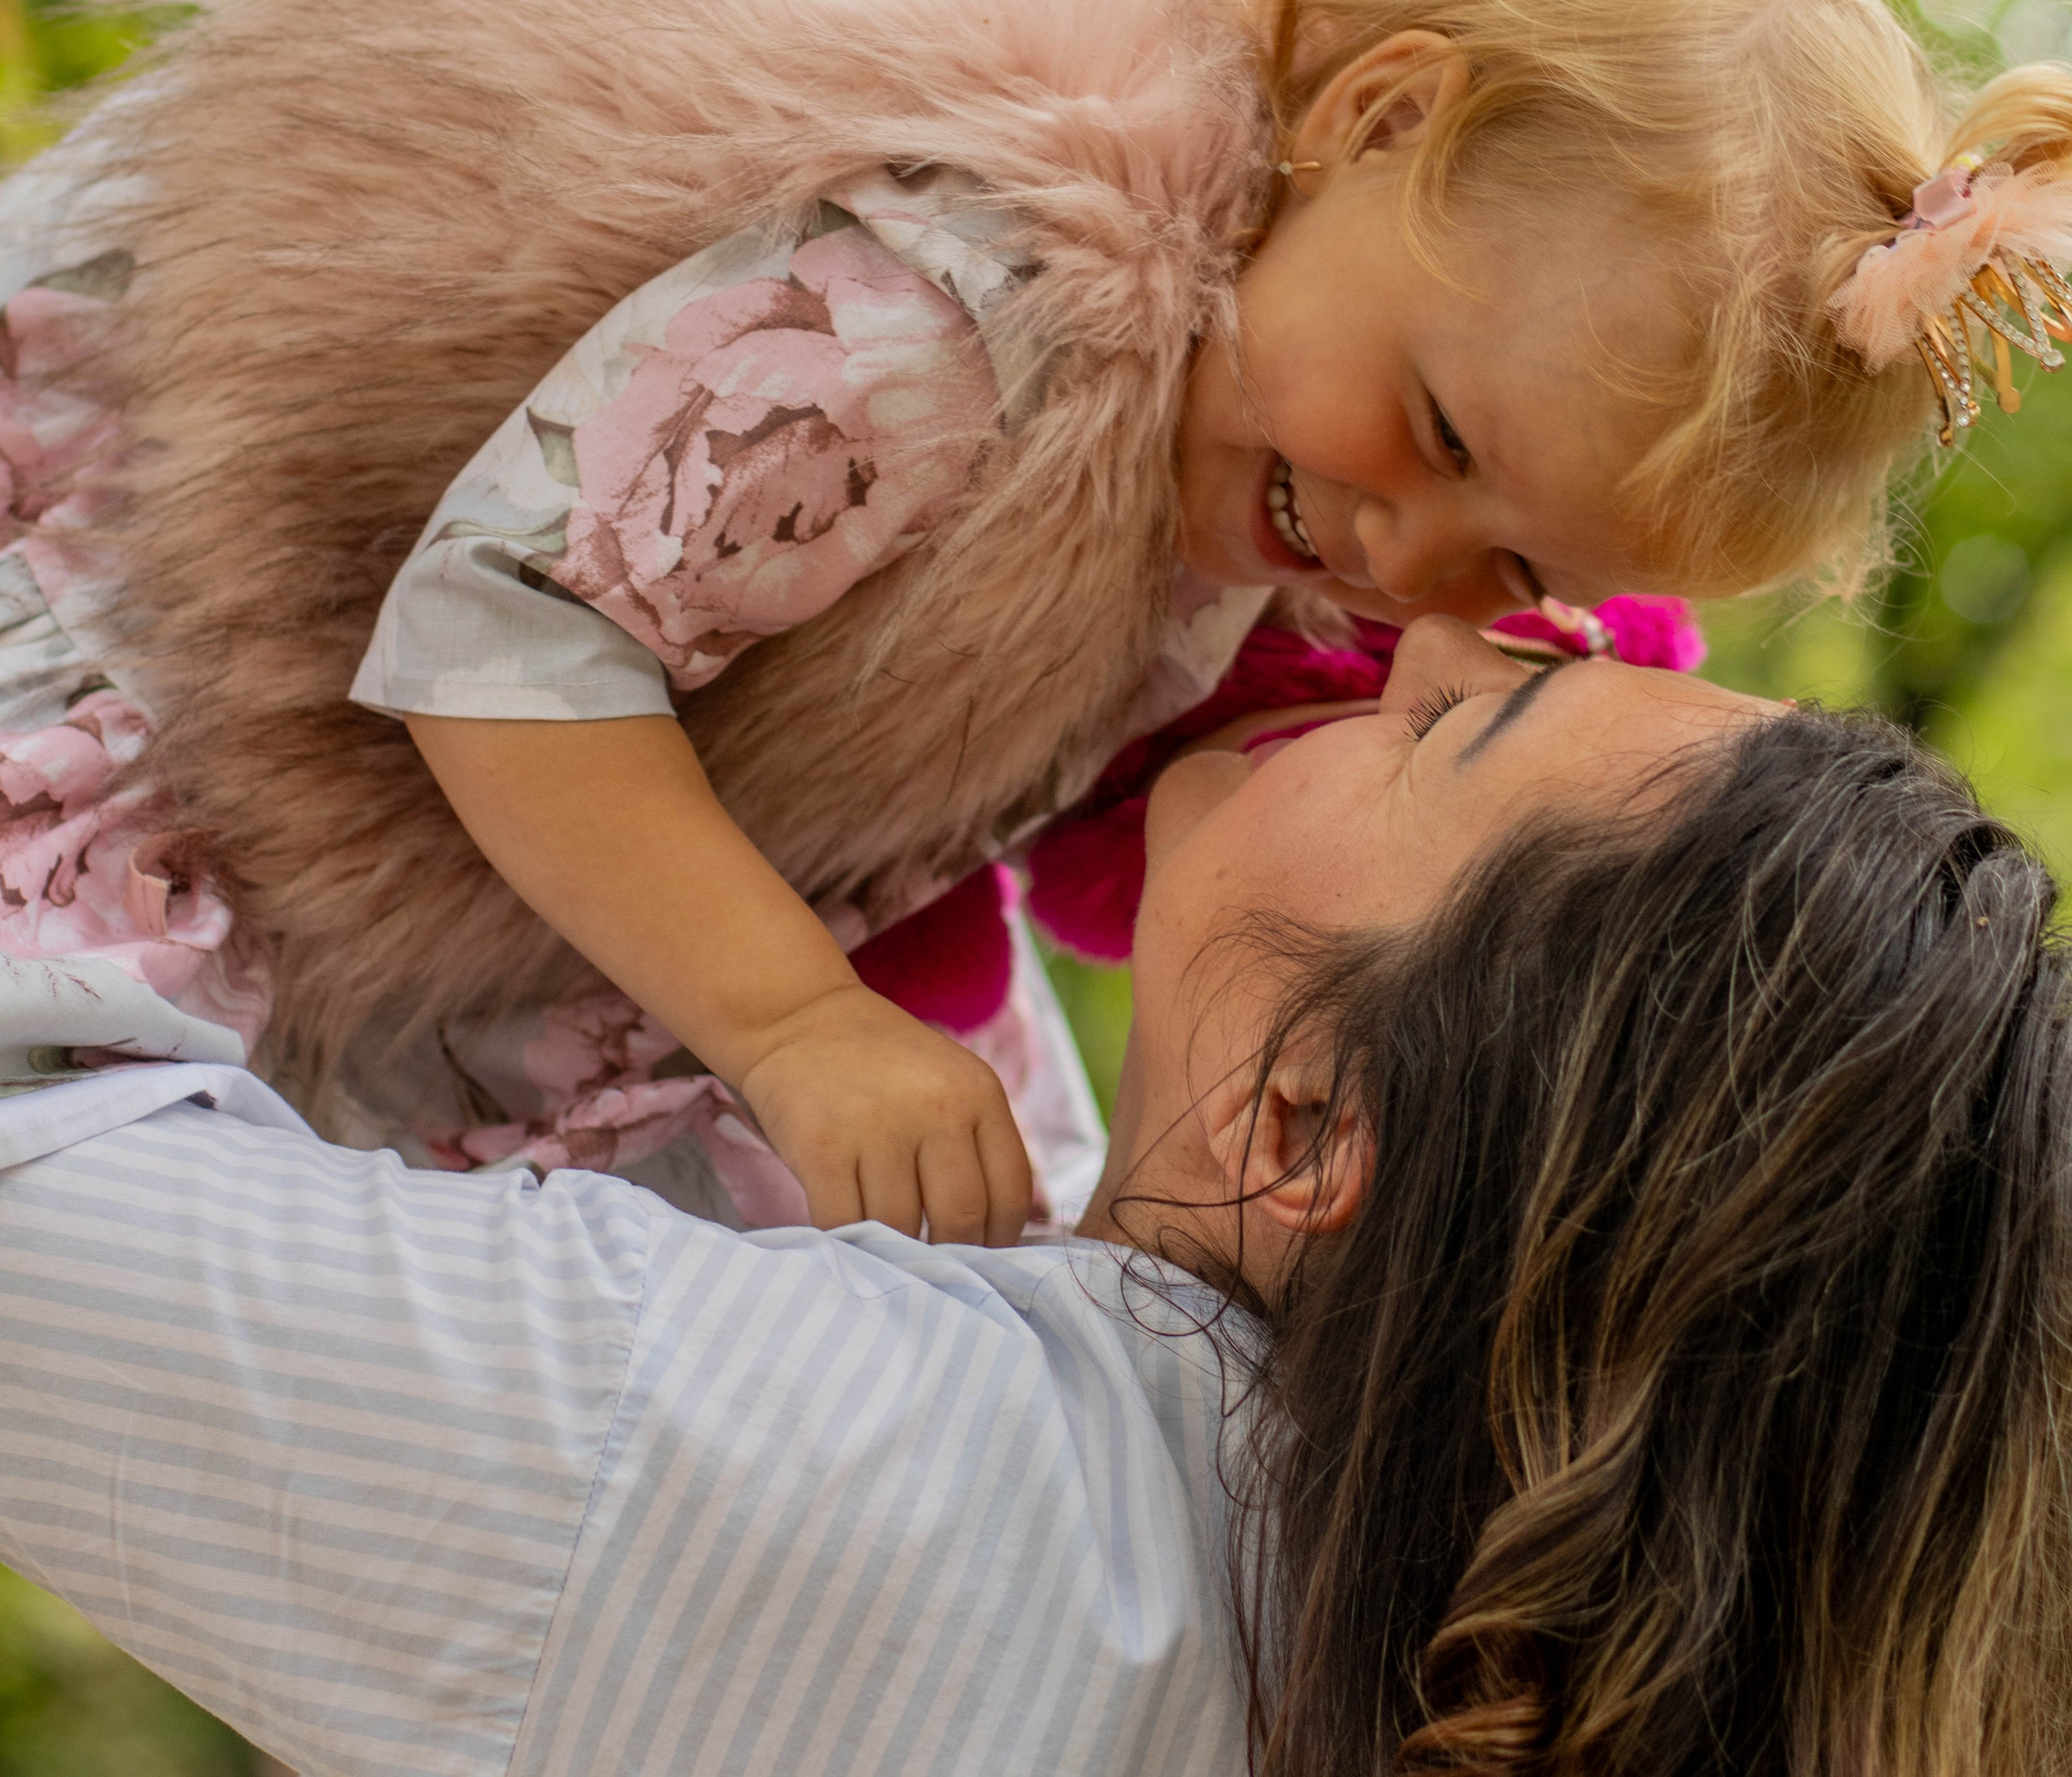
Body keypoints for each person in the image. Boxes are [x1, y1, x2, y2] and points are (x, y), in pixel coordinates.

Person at [1, 0, 2068, 1237]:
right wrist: (794, 1025)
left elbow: (1127, 776)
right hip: (262, 687)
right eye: (1438, 435)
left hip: (698, 858)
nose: (1400, 559)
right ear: (1374, 115)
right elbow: (501, 634)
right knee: (175, 1183)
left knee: (955, 1240)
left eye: (1516, 560)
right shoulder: (966, 303)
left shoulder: (1265, 430)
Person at [1, 619, 2065, 1777]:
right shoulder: (1286, 1566)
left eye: (1458, 722)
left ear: (1305, 1125)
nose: (1421, 627)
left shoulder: (871, 1493)